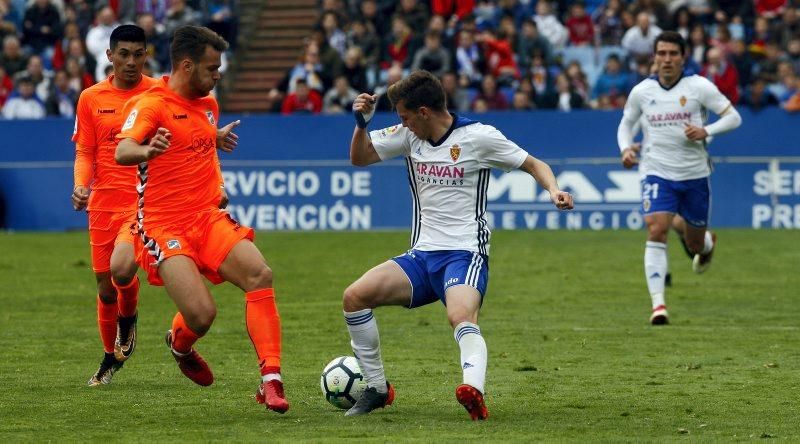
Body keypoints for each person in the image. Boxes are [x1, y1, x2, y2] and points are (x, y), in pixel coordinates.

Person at [345, 70, 574, 420]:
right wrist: (361, 124)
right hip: (421, 257)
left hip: (465, 254)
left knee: (460, 316)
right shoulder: (409, 137)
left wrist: (552, 189)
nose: (402, 125)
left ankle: (473, 390)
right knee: (354, 297)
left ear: (423, 112)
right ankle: (376, 388)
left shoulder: (479, 137)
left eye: (405, 117)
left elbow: (533, 164)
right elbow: (360, 158)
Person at [114, 25, 288, 414]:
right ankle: (180, 345)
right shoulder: (151, 105)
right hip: (163, 225)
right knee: (202, 314)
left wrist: (215, 141)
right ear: (187, 65)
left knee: (260, 274)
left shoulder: (208, 104)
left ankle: (271, 381)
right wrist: (146, 149)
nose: (218, 75)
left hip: (207, 217)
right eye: (212, 68)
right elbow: (122, 151)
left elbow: (200, 145)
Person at [617, 31, 742, 325]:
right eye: (662, 53)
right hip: (656, 170)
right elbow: (626, 125)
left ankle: (706, 243)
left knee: (694, 244)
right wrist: (625, 149)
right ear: (654, 57)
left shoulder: (699, 87)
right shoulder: (642, 92)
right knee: (656, 228)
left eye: (673, 53)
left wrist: (706, 131)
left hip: (695, 173)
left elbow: (733, 117)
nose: (667, 59)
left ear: (683, 57)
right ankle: (658, 306)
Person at [71, 25, 159, 386]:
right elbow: (85, 151)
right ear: (109, 56)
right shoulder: (91, 98)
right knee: (105, 287)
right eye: (124, 54)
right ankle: (110, 358)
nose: (131, 62)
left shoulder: (158, 92)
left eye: (138, 54)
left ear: (146, 55)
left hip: (142, 200)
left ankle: (128, 317)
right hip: (102, 203)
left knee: (122, 269)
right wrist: (80, 186)